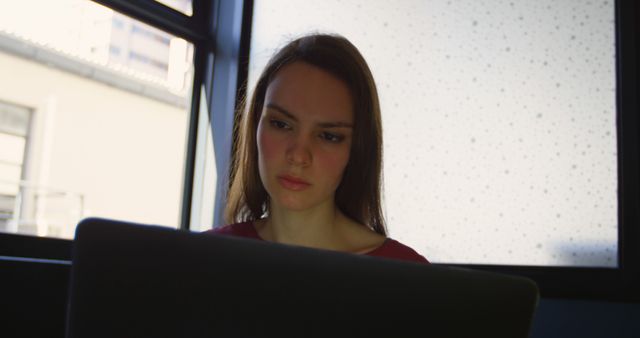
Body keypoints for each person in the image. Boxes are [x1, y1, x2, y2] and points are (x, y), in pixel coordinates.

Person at [210, 33, 428, 264]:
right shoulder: (203, 259)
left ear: (357, 149)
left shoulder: (407, 274)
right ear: (256, 125)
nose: (298, 156)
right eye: (281, 124)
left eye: (328, 136)